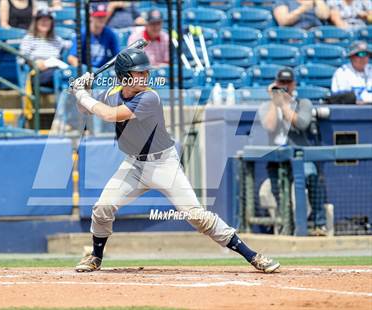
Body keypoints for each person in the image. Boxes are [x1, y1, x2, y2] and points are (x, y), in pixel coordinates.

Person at [69, 48, 280, 273]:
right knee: (102, 207)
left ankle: (253, 256)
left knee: (197, 216)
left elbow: (109, 115)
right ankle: (95, 257)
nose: (143, 77)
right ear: (123, 77)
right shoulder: (113, 93)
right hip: (133, 164)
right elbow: (86, 109)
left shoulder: (149, 97)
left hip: (163, 165)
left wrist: (82, 94)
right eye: (137, 73)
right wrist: (83, 89)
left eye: (144, 73)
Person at [259, 68, 328, 236]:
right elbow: (269, 126)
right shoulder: (267, 106)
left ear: (294, 84)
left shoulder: (303, 103)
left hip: (301, 156)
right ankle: (287, 229)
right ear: (276, 84)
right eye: (281, 83)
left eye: (288, 83)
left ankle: (320, 224)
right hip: (277, 159)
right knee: (281, 196)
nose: (284, 86)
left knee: (311, 177)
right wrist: (275, 103)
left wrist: (284, 104)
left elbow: (302, 123)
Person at [19, 9, 70, 87]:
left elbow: (71, 45)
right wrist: (34, 63)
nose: (44, 22)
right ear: (36, 22)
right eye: (41, 20)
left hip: (56, 70)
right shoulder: (29, 38)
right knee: (62, 76)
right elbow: (21, 58)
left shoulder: (57, 39)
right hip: (37, 73)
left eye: (47, 20)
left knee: (70, 74)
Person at [68, 3, 120, 68]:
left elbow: (117, 56)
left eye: (103, 16)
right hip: (86, 72)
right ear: (91, 17)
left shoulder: (110, 33)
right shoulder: (83, 33)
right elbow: (72, 58)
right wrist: (83, 71)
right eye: (98, 16)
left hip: (102, 72)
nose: (101, 19)